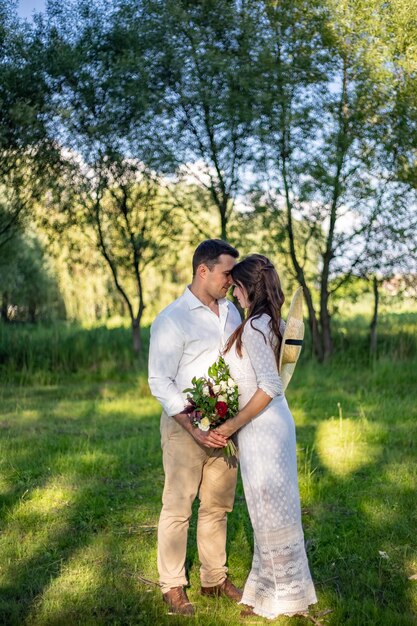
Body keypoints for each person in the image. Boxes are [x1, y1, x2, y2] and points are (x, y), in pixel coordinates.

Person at [216, 253, 317, 620]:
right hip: (271, 425)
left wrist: (230, 425)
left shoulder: (257, 326)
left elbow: (270, 385)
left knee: (269, 511)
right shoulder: (267, 322)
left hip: (263, 428)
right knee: (269, 511)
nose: (234, 293)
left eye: (237, 287)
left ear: (248, 287)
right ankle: (268, 590)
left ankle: (283, 598)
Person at [148, 239, 243, 616]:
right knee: (178, 507)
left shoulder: (232, 312)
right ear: (203, 271)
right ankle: (172, 585)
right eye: (226, 273)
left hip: (226, 428)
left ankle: (214, 579)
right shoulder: (172, 319)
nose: (231, 281)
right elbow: (159, 380)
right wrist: (193, 428)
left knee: (217, 507)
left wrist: (232, 423)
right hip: (184, 426)